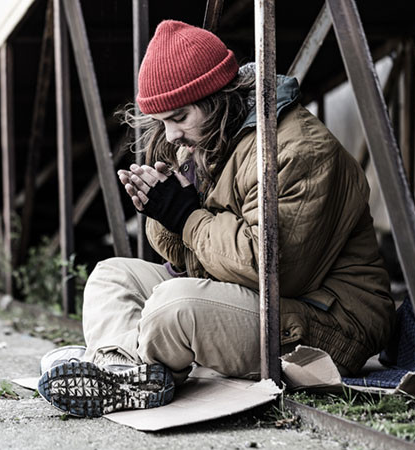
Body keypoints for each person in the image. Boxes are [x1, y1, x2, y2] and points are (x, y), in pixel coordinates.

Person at [37, 19, 395, 418]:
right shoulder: (210, 139)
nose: (171, 136)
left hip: (329, 322)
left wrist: (187, 216)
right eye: (163, 122)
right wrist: (161, 210)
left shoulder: (295, 150)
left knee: (171, 308)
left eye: (178, 117)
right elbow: (191, 259)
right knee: (110, 275)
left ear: (216, 98)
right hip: (260, 298)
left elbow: (274, 270)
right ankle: (124, 370)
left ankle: (122, 364)